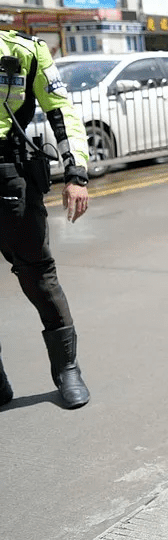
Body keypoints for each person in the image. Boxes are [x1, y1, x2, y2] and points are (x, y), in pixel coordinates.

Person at [0, 29, 91, 410]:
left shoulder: (25, 52)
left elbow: (61, 111)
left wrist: (76, 174)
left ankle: (67, 370)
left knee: (38, 276)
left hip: (10, 174)